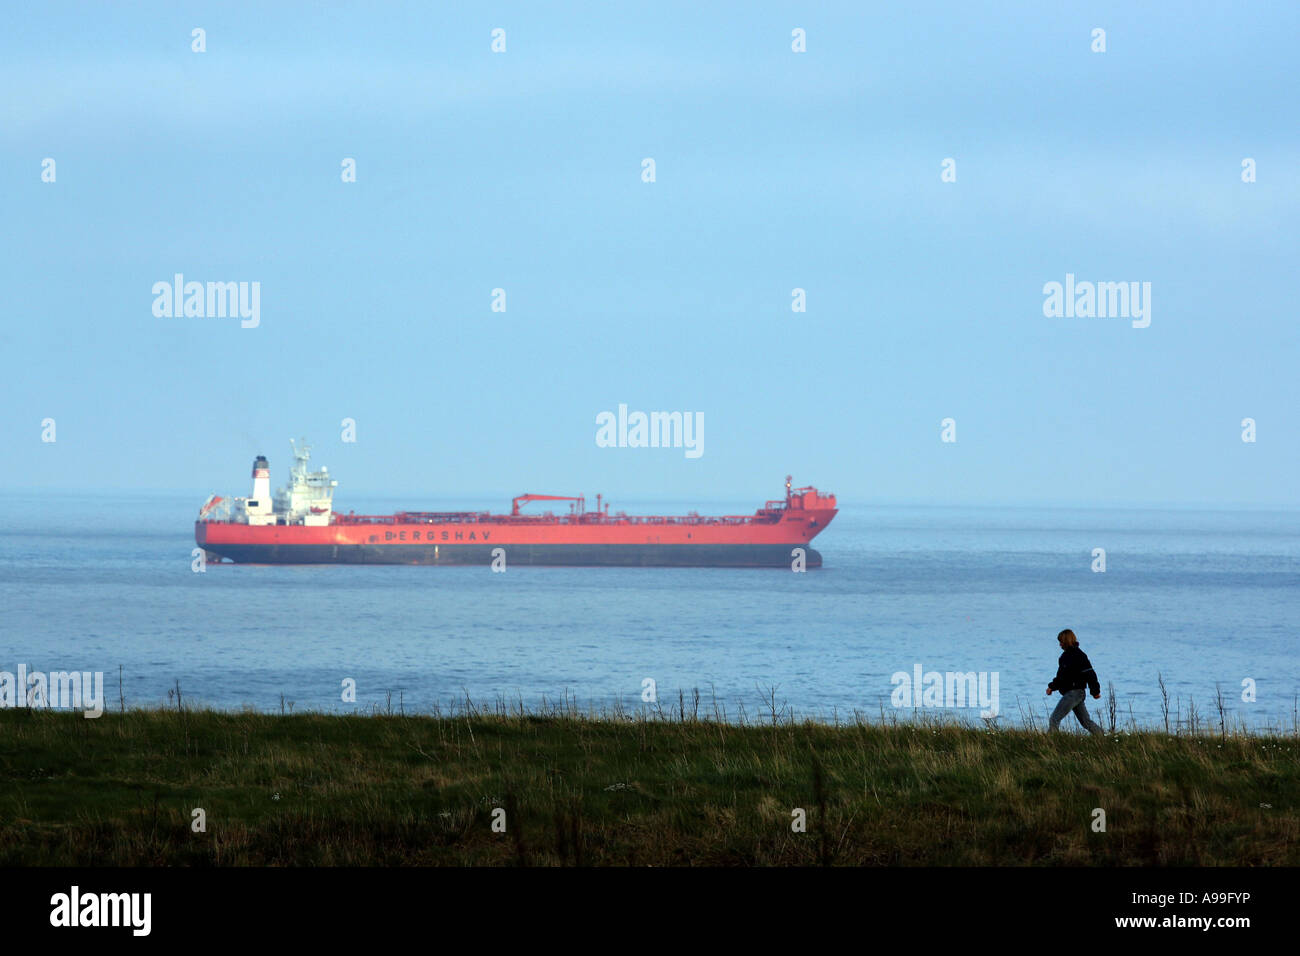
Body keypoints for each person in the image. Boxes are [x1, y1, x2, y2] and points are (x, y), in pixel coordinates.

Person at [1046, 628, 1103, 736]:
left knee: (1054, 719)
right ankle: (1103, 737)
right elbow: (1061, 677)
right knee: (1086, 722)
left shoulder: (1079, 656)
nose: (1060, 645)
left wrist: (1095, 692)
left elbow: (1090, 674)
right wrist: (1052, 687)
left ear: (1067, 641)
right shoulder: (1064, 657)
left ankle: (1050, 742)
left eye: (1061, 642)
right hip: (1073, 694)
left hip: (1075, 693)